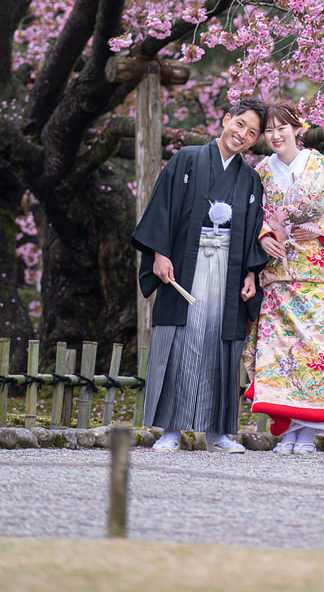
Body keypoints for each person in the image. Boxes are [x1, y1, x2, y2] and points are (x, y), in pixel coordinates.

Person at [132, 97, 268, 453]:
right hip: (185, 266)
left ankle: (218, 431)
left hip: (229, 269)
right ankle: (171, 430)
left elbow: (254, 231)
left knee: (220, 345)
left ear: (255, 142)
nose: (242, 134)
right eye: (239, 124)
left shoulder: (250, 180)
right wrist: (160, 254)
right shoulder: (187, 159)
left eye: (251, 133)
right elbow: (163, 207)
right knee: (180, 343)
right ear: (225, 119)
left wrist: (251, 275)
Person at [245, 100, 324, 455]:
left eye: (282, 127)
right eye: (268, 130)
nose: (275, 135)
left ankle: (308, 433)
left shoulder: (321, 167)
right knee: (281, 353)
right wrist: (264, 234)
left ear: (299, 128)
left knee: (315, 353)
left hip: (316, 277)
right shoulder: (261, 172)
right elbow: (253, 214)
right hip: (279, 276)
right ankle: (287, 431)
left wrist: (319, 227)